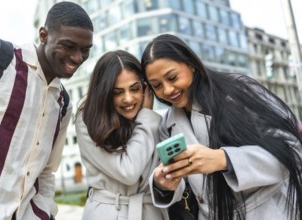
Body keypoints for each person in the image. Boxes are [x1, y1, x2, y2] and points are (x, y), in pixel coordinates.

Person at [140, 34, 302, 220]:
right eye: (157, 85)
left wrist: (224, 160)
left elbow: (293, 151)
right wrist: (163, 184)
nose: (168, 90)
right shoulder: (166, 126)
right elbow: (185, 188)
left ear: (191, 65)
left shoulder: (238, 91)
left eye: (172, 77)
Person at [0, 2, 93, 219]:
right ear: (44, 35)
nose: (77, 58)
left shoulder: (64, 104)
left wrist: (43, 213)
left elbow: (46, 172)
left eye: (85, 50)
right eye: (68, 46)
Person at [75, 50, 168, 220]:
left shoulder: (156, 121)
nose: (128, 99)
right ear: (105, 93)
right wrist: (146, 119)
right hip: (108, 213)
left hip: (151, 213)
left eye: (134, 89)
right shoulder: (89, 120)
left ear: (144, 88)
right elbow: (128, 172)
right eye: (118, 92)